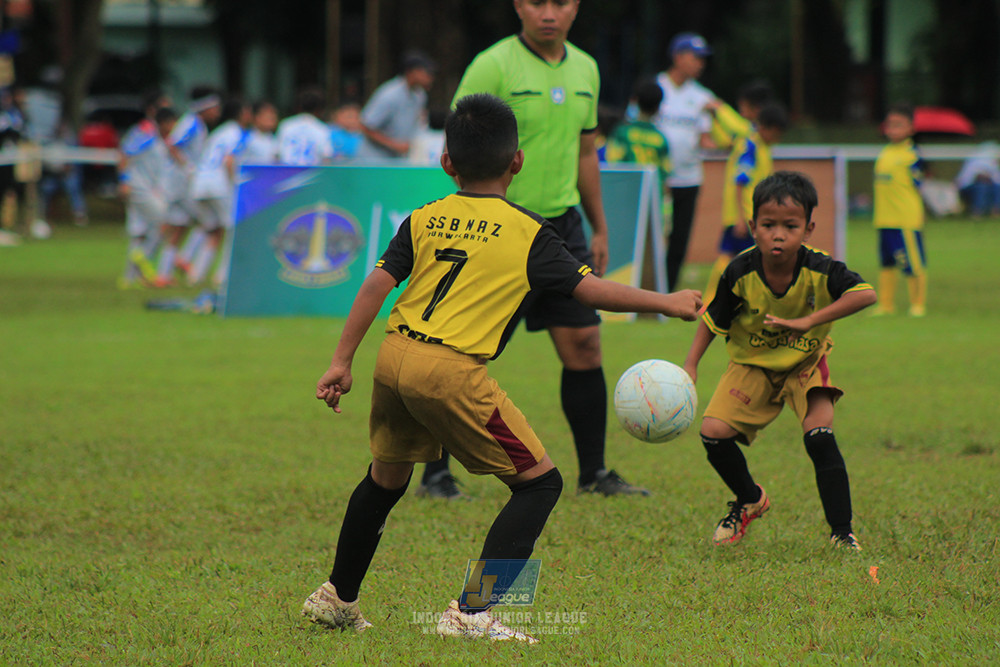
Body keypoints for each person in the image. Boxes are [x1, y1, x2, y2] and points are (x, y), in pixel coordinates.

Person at [301, 93, 702, 641]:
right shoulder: (528, 231)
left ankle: (336, 599)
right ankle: (471, 614)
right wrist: (667, 301)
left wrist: (341, 360)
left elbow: (377, 283)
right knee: (541, 484)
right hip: (450, 374)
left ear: (447, 162)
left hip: (393, 359)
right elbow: (592, 291)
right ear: (517, 161)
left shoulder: (424, 217)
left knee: (387, 477)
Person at [439, 0, 648, 498]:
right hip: (497, 225)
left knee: (584, 346)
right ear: (518, 6)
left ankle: (594, 474)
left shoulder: (586, 69)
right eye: (537, 1)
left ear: (576, 7)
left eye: (560, 2)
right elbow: (456, 146)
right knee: (456, 354)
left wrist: (598, 226)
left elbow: (585, 152)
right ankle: (434, 475)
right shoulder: (492, 65)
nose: (548, 12)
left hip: (561, 227)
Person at [683, 171, 877, 551]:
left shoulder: (821, 269)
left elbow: (865, 295)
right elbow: (711, 321)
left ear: (808, 229)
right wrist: (690, 365)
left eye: (790, 226)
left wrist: (808, 320)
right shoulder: (739, 272)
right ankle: (750, 498)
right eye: (769, 225)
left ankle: (842, 532)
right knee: (712, 432)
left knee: (820, 437)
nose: (778, 234)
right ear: (753, 226)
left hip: (805, 364)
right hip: (752, 365)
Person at [703, 102, 788, 304]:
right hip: (745, 216)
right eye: (776, 134)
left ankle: (744, 300)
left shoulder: (760, 147)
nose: (776, 139)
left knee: (744, 257)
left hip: (753, 216)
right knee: (733, 256)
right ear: (768, 128)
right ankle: (710, 301)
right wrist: (742, 219)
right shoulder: (750, 147)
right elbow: (740, 182)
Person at [654, 32, 717, 291]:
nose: (700, 63)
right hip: (658, 180)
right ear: (677, 57)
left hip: (689, 178)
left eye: (703, 59)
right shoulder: (655, 88)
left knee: (679, 239)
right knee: (655, 237)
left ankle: (667, 291)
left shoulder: (703, 97)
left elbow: (705, 139)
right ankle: (646, 287)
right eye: (696, 57)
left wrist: (729, 142)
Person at [159, 86, 223, 287]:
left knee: (180, 228)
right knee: (211, 223)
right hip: (184, 184)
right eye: (215, 107)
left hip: (178, 183)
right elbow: (172, 144)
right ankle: (186, 260)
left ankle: (164, 274)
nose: (217, 111)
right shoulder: (192, 123)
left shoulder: (196, 124)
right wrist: (189, 168)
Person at [188, 96, 252, 287]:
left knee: (213, 231)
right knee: (234, 230)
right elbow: (229, 160)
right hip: (219, 184)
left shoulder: (218, 131)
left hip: (200, 183)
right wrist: (235, 183)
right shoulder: (236, 132)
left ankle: (196, 275)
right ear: (240, 113)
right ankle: (223, 276)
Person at [872, 103, 927, 317]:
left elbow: (919, 184)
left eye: (899, 125)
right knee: (886, 262)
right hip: (883, 219)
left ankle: (918, 303)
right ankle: (886, 304)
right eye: (890, 125)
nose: (893, 129)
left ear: (911, 128)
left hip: (905, 219)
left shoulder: (912, 155)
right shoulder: (884, 152)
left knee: (912, 263)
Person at [118, 106, 177, 289]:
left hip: (148, 190)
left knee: (140, 232)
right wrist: (124, 181)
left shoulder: (159, 140)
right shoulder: (147, 136)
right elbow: (125, 154)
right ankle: (145, 264)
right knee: (163, 225)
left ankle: (130, 278)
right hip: (140, 189)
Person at [355, 50, 436, 161]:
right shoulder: (389, 94)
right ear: (411, 72)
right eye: (426, 72)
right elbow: (366, 126)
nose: (430, 77)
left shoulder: (420, 96)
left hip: (396, 160)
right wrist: (395, 145)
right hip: (373, 160)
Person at [605, 78, 672, 186]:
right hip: (651, 195)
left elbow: (612, 161)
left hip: (626, 191)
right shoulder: (660, 139)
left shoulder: (622, 132)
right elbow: (665, 172)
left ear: (635, 101)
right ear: (658, 107)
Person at [705, 79, 774, 151]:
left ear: (756, 108)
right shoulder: (757, 127)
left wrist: (720, 108)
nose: (740, 110)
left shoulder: (757, 131)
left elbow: (737, 128)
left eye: (743, 106)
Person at [276, 86, 334, 166]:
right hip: (310, 174)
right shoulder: (322, 128)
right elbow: (326, 157)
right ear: (320, 109)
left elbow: (277, 154)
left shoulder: (286, 124)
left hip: (286, 173)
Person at [954, 140, 1000, 218]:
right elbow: (963, 181)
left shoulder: (993, 165)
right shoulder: (974, 163)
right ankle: (977, 211)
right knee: (981, 187)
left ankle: (996, 210)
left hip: (990, 186)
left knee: (996, 187)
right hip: (970, 187)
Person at [241, 100, 279, 165]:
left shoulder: (274, 138)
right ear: (257, 117)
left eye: (274, 114)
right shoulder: (245, 138)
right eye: (268, 115)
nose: (272, 118)